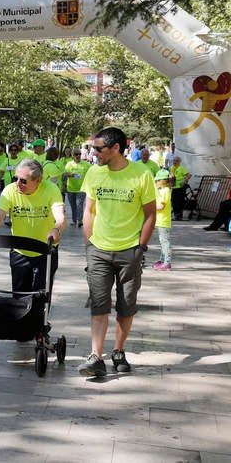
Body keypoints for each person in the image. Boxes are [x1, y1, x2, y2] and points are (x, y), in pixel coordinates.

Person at [77, 127, 156, 377]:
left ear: (116, 148)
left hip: (129, 251)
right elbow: (89, 211)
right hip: (98, 251)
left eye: (98, 149)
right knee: (98, 304)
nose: (94, 153)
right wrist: (89, 245)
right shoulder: (94, 172)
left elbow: (150, 214)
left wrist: (140, 248)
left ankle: (118, 351)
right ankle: (96, 356)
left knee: (126, 306)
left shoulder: (141, 174)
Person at [0, 159, 65, 296]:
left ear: (38, 180)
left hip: (45, 250)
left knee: (41, 297)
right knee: (19, 297)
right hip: (20, 250)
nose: (17, 183)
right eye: (15, 178)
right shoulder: (10, 190)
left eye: (23, 181)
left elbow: (60, 217)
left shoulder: (51, 189)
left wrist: (56, 229)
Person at [63, 150, 90, 227]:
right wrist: (67, 176)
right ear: (72, 155)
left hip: (81, 189)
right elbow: (64, 175)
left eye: (79, 154)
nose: (78, 156)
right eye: (76, 154)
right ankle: (74, 220)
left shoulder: (86, 164)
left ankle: (79, 220)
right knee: (73, 206)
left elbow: (91, 174)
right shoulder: (69, 164)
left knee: (79, 204)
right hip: (71, 188)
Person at [153, 169, 173, 270]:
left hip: (163, 221)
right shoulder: (161, 190)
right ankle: (162, 260)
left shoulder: (166, 191)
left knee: (165, 242)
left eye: (157, 180)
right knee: (162, 242)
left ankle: (167, 262)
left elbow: (161, 206)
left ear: (163, 181)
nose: (156, 182)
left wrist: (150, 207)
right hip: (159, 220)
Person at [169, 156, 191, 220]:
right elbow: (171, 176)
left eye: (176, 161)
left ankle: (178, 216)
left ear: (179, 162)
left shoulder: (181, 168)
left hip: (180, 188)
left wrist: (184, 181)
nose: (174, 162)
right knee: (173, 201)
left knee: (179, 202)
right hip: (174, 187)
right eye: (174, 161)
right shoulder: (172, 168)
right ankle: (176, 215)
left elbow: (189, 175)